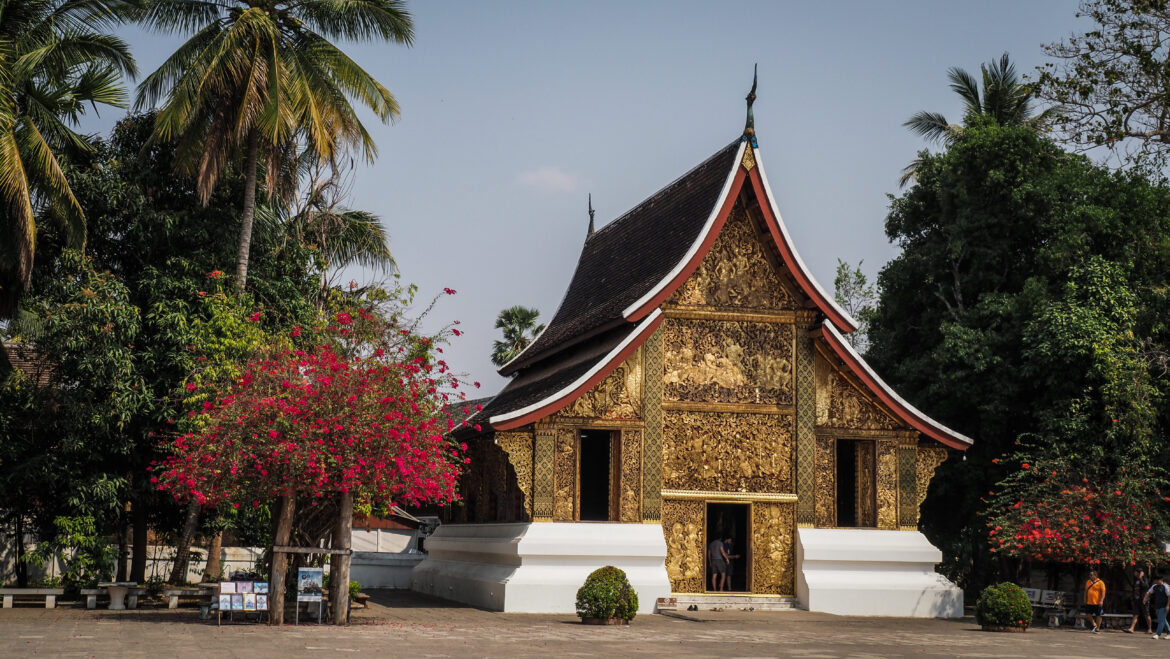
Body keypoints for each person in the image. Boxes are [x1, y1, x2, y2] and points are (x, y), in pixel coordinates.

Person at [1144, 573, 1170, 639]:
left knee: (1160, 620)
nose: (1155, 581)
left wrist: (1168, 605)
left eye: (1156, 580)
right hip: (1157, 605)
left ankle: (1158, 634)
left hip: (1164, 606)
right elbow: (1149, 592)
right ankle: (1169, 633)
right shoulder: (1155, 586)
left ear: (1160, 580)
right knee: (1163, 620)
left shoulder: (1165, 586)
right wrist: (1145, 598)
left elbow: (1169, 596)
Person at [1128, 566, 1152, 634]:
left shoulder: (1144, 579)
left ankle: (1149, 628)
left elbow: (1145, 586)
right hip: (1137, 599)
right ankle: (1131, 628)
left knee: (1146, 614)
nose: (1134, 573)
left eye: (1136, 572)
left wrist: (1141, 577)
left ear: (1139, 573)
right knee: (1135, 614)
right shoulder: (1135, 580)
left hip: (1144, 599)